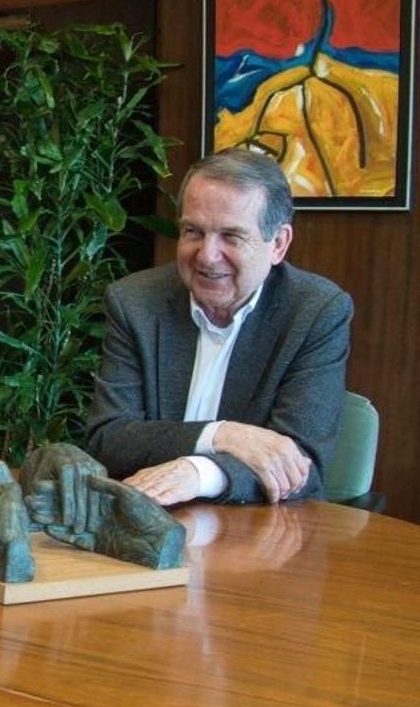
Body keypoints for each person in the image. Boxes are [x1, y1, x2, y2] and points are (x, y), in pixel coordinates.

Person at [85, 148, 352, 506]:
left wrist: (199, 472)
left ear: (278, 244)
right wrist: (221, 435)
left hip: (263, 536)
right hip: (147, 524)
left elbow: (299, 464)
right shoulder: (136, 302)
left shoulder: (315, 311)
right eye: (193, 231)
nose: (207, 255)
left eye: (231, 236)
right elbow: (109, 438)